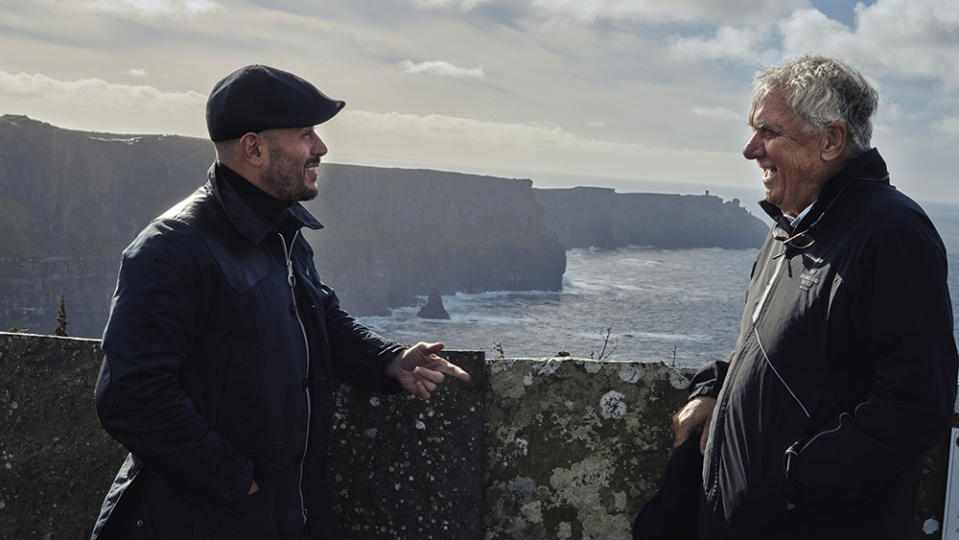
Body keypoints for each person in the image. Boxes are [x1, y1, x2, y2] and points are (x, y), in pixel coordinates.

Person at [89, 64, 472, 540]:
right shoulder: (173, 246)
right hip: (201, 521)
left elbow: (318, 315)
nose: (321, 148)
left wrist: (389, 360)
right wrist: (240, 481)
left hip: (276, 516)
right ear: (254, 147)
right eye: (306, 134)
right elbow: (132, 396)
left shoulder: (282, 229)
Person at [664, 55, 958, 539]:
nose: (750, 149)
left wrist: (791, 481)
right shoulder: (794, 232)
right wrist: (714, 387)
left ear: (831, 140)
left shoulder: (890, 233)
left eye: (768, 132)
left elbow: (917, 402)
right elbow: (772, 347)